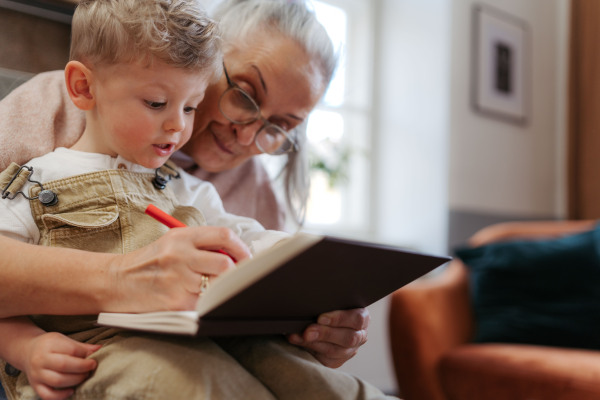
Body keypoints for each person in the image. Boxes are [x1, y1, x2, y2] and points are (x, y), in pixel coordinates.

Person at [0, 1, 397, 400]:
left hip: (204, 347)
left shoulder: (198, 187)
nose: (246, 137)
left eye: (279, 125)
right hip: (98, 355)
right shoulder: (43, 153)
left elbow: (252, 242)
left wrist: (320, 319)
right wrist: (27, 344)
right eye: (245, 95)